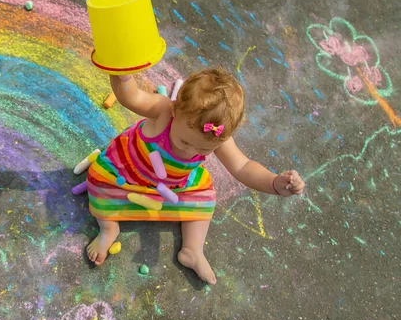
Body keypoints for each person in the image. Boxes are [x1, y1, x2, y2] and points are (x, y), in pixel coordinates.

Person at [85, 67, 305, 285]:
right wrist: (121, 72)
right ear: (175, 111)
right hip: (124, 171)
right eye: (185, 142)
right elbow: (130, 96)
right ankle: (109, 228)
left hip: (172, 186)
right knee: (97, 180)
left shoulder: (217, 137)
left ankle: (192, 250)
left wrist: (274, 183)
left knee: (206, 197)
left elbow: (243, 167)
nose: (191, 152)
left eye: (203, 150)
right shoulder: (163, 109)